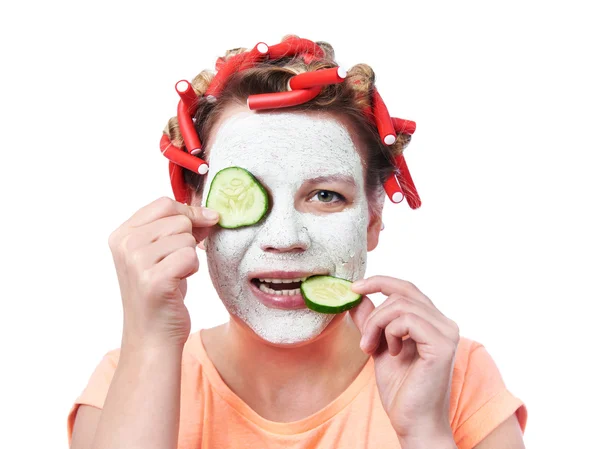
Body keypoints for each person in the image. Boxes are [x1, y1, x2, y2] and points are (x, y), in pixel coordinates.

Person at [67, 36, 527, 449]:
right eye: (244, 194)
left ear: (373, 217)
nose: (284, 238)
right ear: (193, 215)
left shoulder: (452, 374)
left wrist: (424, 433)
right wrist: (150, 340)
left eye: (326, 195)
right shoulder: (124, 385)